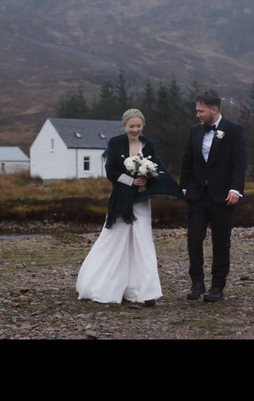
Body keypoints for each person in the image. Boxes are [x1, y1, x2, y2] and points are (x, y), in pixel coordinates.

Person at [76, 108, 183, 307]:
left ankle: (145, 291)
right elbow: (110, 171)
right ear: (125, 126)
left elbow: (155, 167)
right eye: (131, 126)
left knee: (143, 241)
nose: (135, 130)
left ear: (143, 126)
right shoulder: (116, 143)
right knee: (114, 239)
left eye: (138, 126)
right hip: (122, 200)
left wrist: (149, 179)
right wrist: (130, 181)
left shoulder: (148, 144)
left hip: (142, 201)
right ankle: (101, 285)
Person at [180, 89, 247, 302]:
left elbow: (239, 163)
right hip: (198, 195)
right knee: (193, 239)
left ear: (214, 109)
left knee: (221, 242)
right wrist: (184, 188)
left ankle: (217, 286)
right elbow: (186, 160)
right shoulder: (194, 131)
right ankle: (197, 283)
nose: (197, 114)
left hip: (223, 197)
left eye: (201, 111)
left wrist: (236, 189)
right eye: (196, 110)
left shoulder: (234, 130)